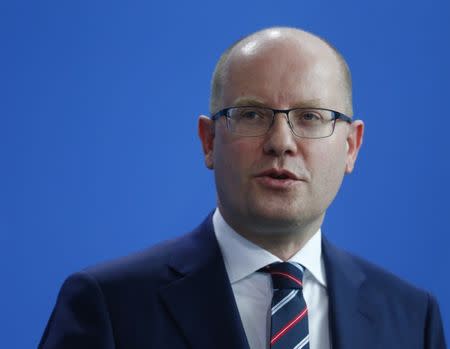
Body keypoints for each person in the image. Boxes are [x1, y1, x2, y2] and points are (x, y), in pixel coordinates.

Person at [39, 27, 447, 349]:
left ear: (351, 147)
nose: (281, 141)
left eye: (310, 117)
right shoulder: (110, 305)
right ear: (209, 141)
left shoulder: (412, 317)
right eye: (251, 114)